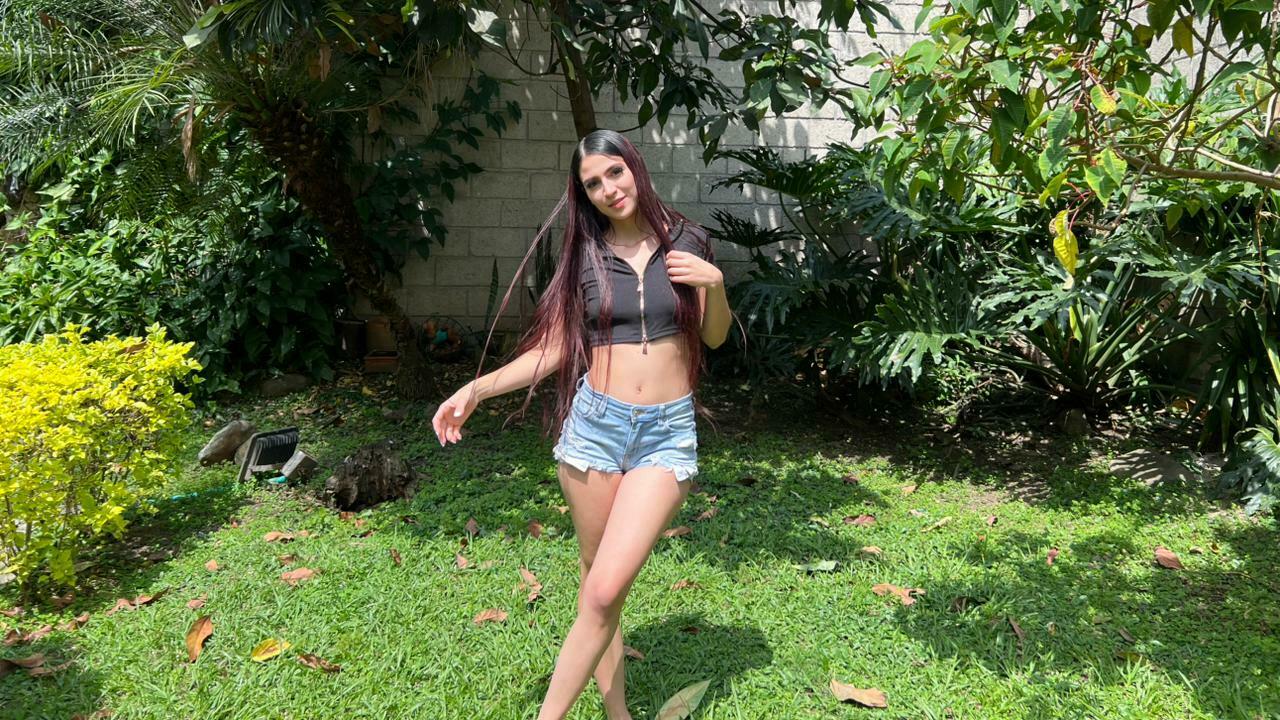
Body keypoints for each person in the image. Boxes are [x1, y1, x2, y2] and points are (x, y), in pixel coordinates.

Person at [431, 128, 732, 720]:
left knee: (602, 590)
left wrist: (715, 285)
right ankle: (617, 714)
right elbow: (552, 349)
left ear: (634, 167)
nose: (608, 188)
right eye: (593, 183)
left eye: (614, 172)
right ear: (584, 194)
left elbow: (714, 336)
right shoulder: (585, 257)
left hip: (666, 434)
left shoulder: (689, 240)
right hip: (596, 428)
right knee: (600, 585)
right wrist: (476, 388)